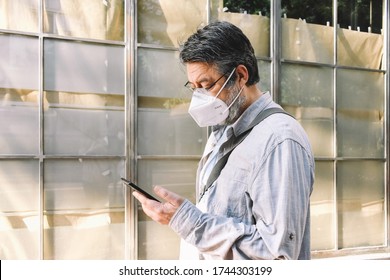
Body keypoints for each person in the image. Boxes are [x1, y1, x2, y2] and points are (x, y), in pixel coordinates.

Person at [133, 21, 315, 260]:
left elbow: (277, 254)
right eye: (194, 87)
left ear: (240, 75)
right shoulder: (224, 131)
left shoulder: (279, 141)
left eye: (206, 86)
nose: (199, 97)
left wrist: (189, 222)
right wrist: (179, 216)